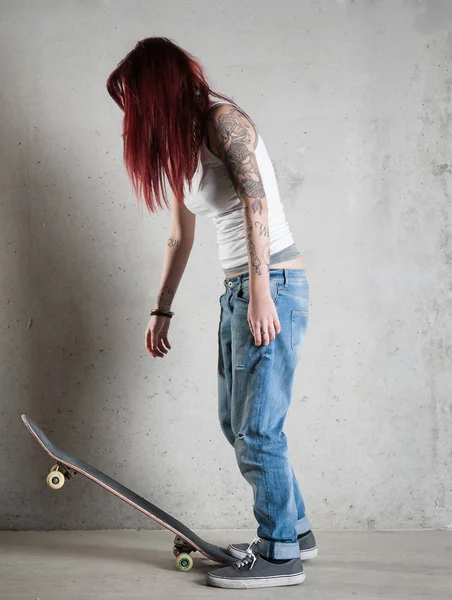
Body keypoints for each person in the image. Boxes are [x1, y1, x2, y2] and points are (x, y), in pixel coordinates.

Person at [107, 37, 316, 590]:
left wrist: (264, 291)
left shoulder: (223, 121)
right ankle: (294, 529)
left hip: (271, 284)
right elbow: (180, 234)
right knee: (237, 424)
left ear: (159, 88)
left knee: (257, 428)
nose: (131, 112)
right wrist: (162, 310)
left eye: (134, 97)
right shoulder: (178, 148)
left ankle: (280, 556)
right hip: (237, 291)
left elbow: (255, 200)